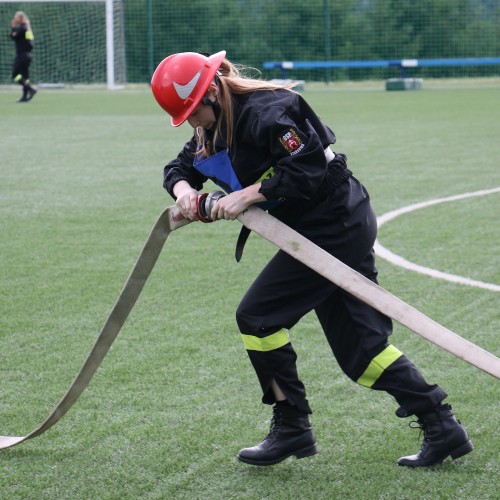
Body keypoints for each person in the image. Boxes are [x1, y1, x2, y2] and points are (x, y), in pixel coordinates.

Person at [150, 50, 474, 467]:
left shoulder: (270, 112)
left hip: (335, 225)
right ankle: (442, 425)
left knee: (258, 317)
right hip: (310, 231)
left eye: (194, 111)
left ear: (212, 91)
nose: (193, 122)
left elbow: (307, 167)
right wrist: (186, 196)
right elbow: (178, 169)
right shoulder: (212, 130)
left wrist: (246, 196)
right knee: (364, 354)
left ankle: (292, 427)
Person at [10, 11, 37, 103]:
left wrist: (13, 27)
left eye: (16, 17)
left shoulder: (21, 29)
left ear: (21, 19)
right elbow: (31, 43)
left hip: (22, 55)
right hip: (28, 55)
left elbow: (12, 36)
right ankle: (25, 96)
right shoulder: (27, 29)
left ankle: (31, 89)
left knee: (15, 75)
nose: (14, 19)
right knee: (25, 77)